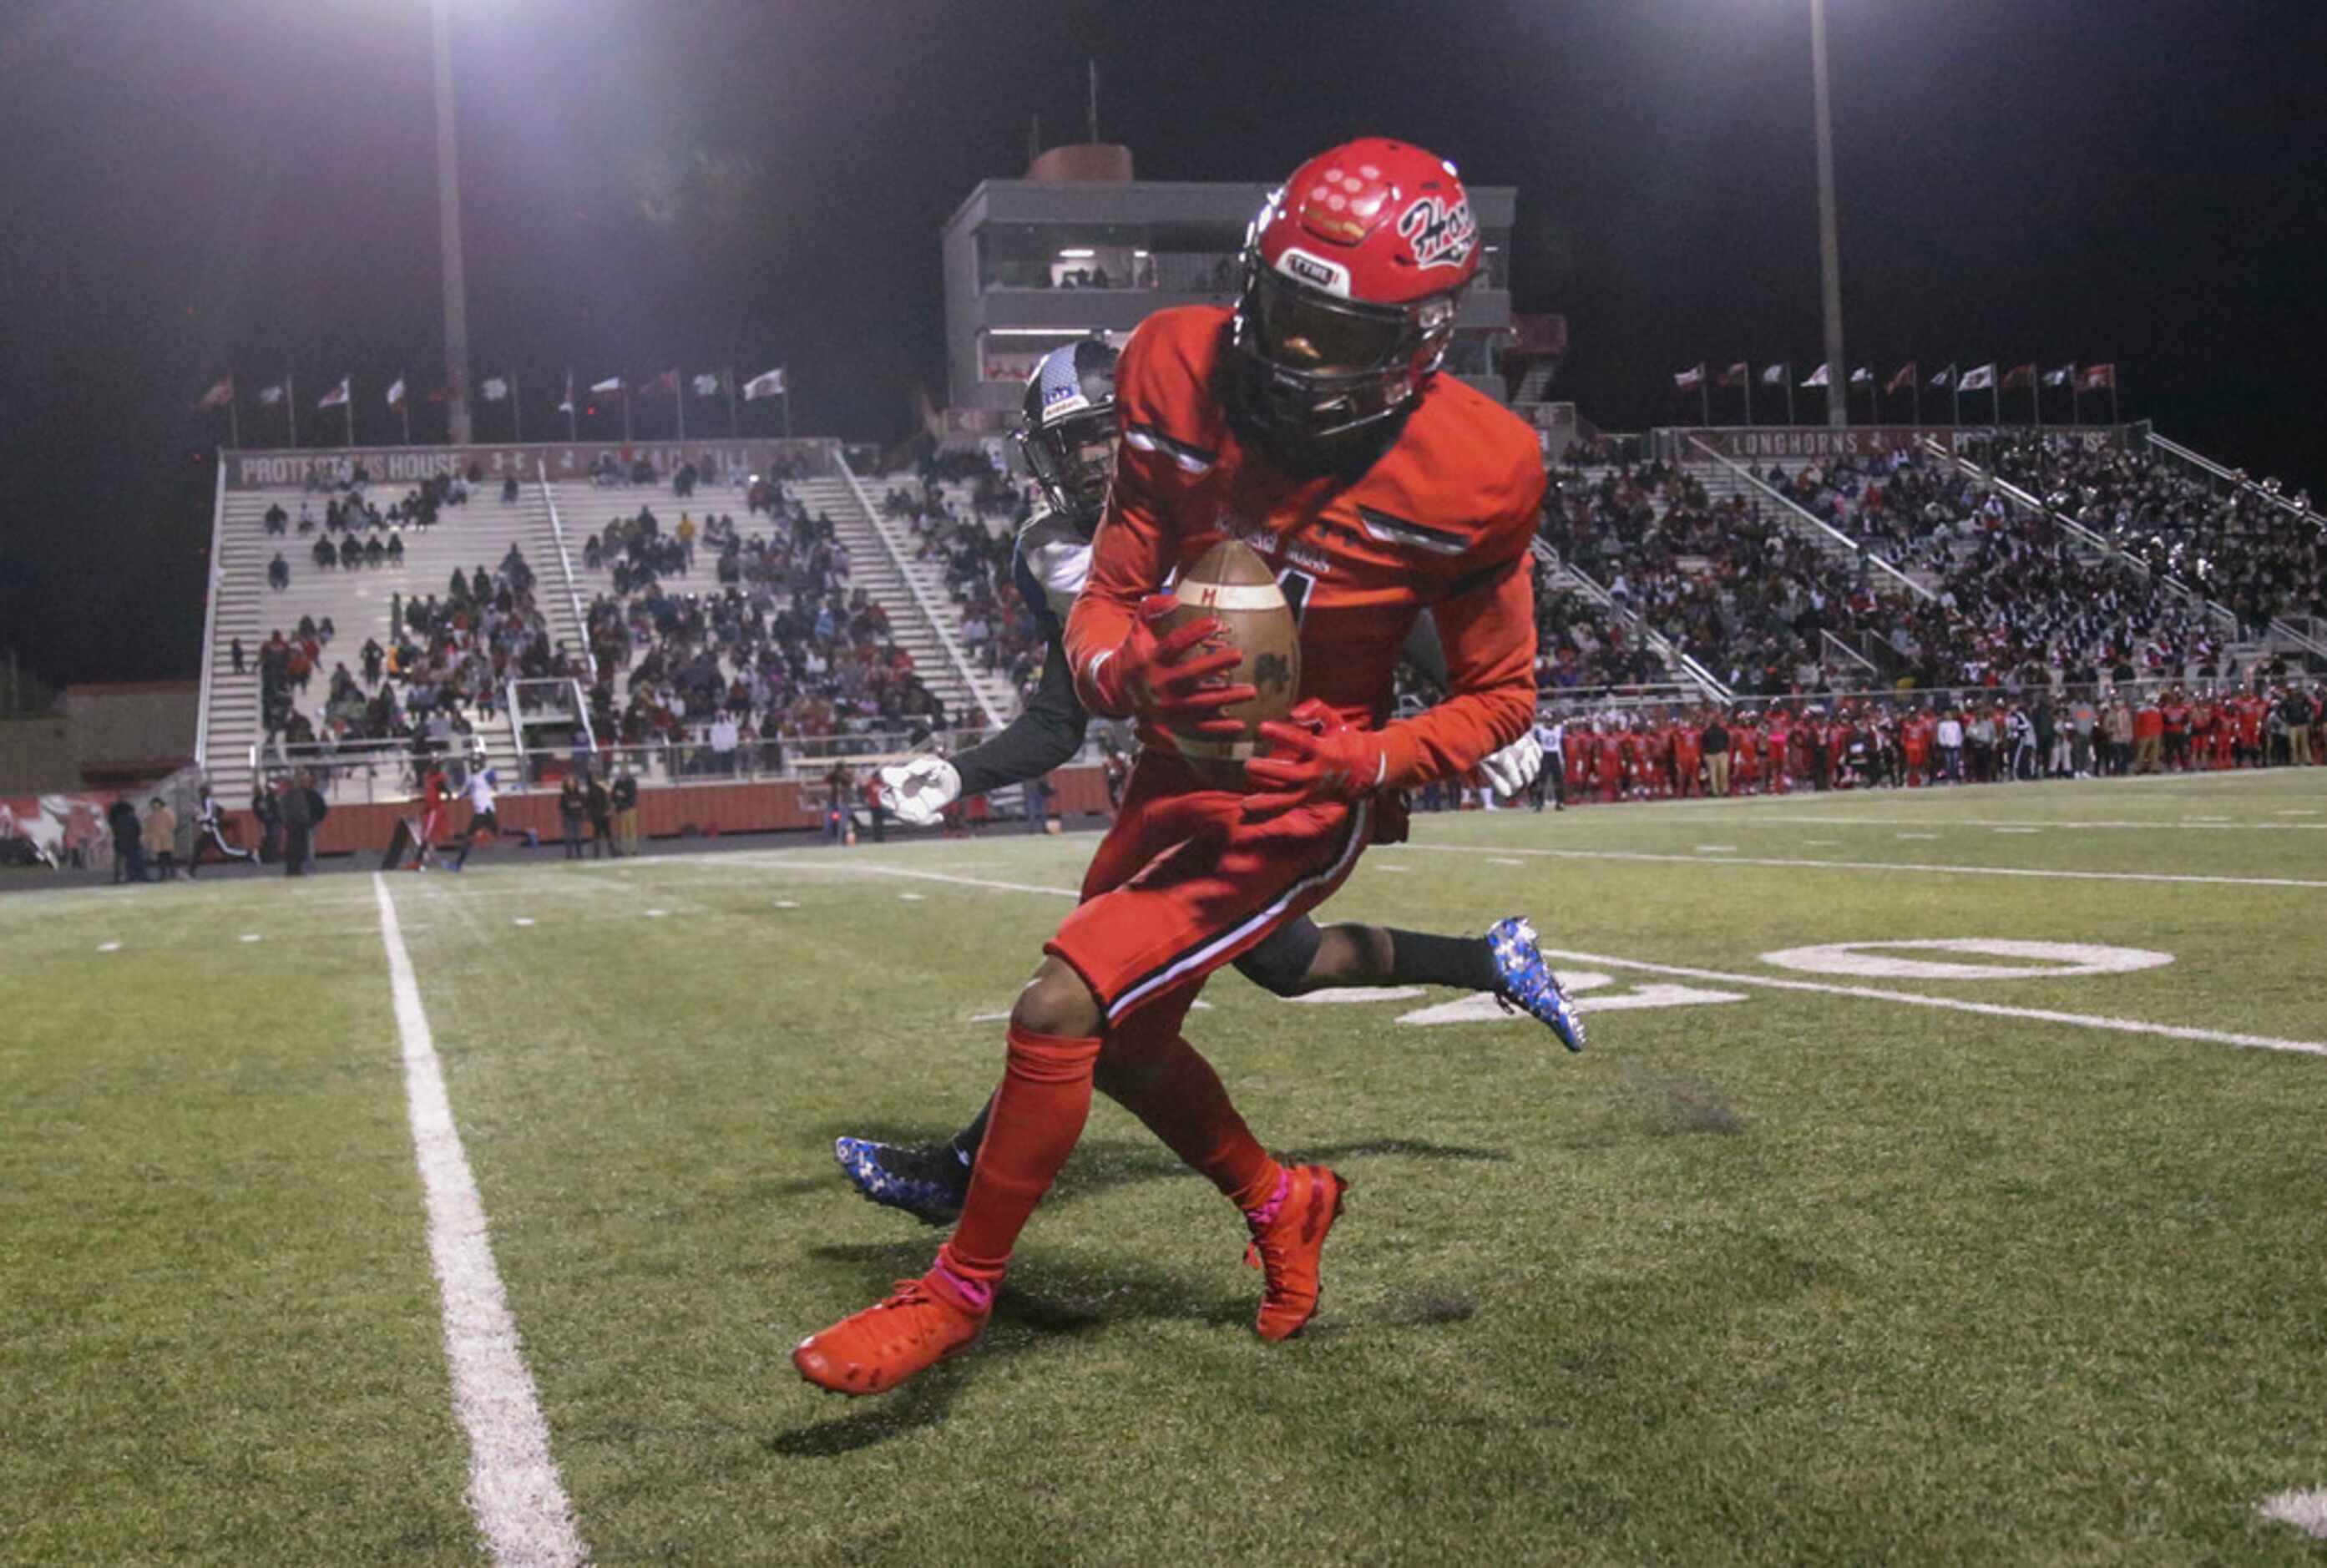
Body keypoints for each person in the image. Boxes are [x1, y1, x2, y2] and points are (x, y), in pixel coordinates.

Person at [797, 139, 1568, 1397]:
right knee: (1130, 1041)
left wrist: (1366, 754)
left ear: (1416, 340)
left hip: (1294, 795)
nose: (1289, 353)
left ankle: (953, 1290)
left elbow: (1501, 695)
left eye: (1332, 333)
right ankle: (1283, 1199)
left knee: (1060, 1004)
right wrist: (1123, 676)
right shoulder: (1167, 360)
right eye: (1277, 309)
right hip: (1170, 763)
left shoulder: (1481, 466)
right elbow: (1106, 599)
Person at [847, 337, 1579, 1225]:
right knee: (1288, 962)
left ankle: (966, 1181)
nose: (1089, 457)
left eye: (1104, 433)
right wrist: (957, 771)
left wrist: (1463, 698)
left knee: (1096, 986)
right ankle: (1487, 957)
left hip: (1294, 765)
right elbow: (1058, 716)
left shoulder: (1212, 489)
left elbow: (1360, 596)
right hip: (1191, 780)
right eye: (1070, 441)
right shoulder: (1056, 553)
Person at [185, 782, 256, 876]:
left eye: (201, 792)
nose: (200, 794)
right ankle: (190, 871)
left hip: (213, 831)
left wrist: (197, 819)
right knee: (197, 848)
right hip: (208, 830)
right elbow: (219, 810)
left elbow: (209, 816)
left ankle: (250, 854)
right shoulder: (208, 801)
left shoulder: (208, 801)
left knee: (226, 850)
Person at [451, 766, 499, 872]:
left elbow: (493, 778)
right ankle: (527, 834)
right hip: (489, 810)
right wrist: (458, 796)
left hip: (481, 812)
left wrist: (459, 796)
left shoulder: (482, 774)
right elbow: (466, 792)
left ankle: (458, 865)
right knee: (498, 832)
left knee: (469, 838)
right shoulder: (475, 777)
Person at [107, 795, 145, 883]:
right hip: (132, 841)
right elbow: (138, 829)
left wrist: (117, 835)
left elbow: (113, 828)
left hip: (119, 841)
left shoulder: (114, 820)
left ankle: (117, 876)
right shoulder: (132, 818)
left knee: (119, 860)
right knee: (132, 859)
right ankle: (133, 875)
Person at [141, 796, 180, 880]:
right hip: (166, 837)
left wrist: (148, 836)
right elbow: (173, 824)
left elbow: (147, 826)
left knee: (162, 857)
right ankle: (171, 873)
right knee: (167, 856)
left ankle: (164, 874)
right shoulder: (168, 812)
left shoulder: (151, 815)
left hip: (159, 838)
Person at [611, 766, 640, 856]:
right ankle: (624, 850)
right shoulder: (618, 782)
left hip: (630, 808)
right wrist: (616, 801)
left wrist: (623, 795)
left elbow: (632, 794)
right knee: (623, 831)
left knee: (631, 829)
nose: (622, 773)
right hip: (621, 809)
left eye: (624, 772)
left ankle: (633, 849)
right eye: (621, 772)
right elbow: (613, 794)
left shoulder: (631, 781)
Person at [586, 770, 615, 857]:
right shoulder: (591, 788)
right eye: (593, 777)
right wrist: (591, 814)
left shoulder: (604, 786)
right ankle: (596, 853)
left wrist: (610, 810)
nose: (594, 779)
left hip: (604, 813)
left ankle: (612, 851)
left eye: (595, 777)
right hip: (597, 814)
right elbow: (589, 803)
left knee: (607, 832)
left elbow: (610, 797)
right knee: (597, 832)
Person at [558, 774, 586, 858]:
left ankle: (580, 854)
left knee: (578, 836)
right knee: (568, 837)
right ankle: (569, 855)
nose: (571, 783)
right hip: (568, 817)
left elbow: (584, 805)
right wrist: (569, 806)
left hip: (578, 817)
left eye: (572, 781)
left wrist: (577, 806)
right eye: (569, 781)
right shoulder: (564, 795)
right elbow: (561, 807)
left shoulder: (580, 794)